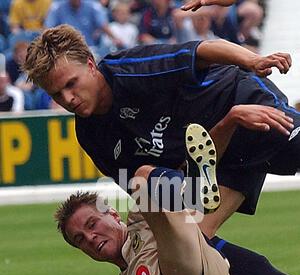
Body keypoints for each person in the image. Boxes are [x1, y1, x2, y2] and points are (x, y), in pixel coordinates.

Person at [28, 130, 300, 275]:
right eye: (80, 239)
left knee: (142, 181)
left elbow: (169, 170)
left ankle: (194, 188)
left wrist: (229, 120)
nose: (90, 237)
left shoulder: (138, 222)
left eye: (92, 223)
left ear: (113, 214)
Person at [22, 23, 297, 237]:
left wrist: (252, 61)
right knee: (194, 242)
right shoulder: (91, 137)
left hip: (244, 103)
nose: (68, 99)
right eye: (57, 94)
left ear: (91, 66)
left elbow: (202, 50)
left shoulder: (129, 69)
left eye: (71, 84)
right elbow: (147, 194)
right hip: (216, 161)